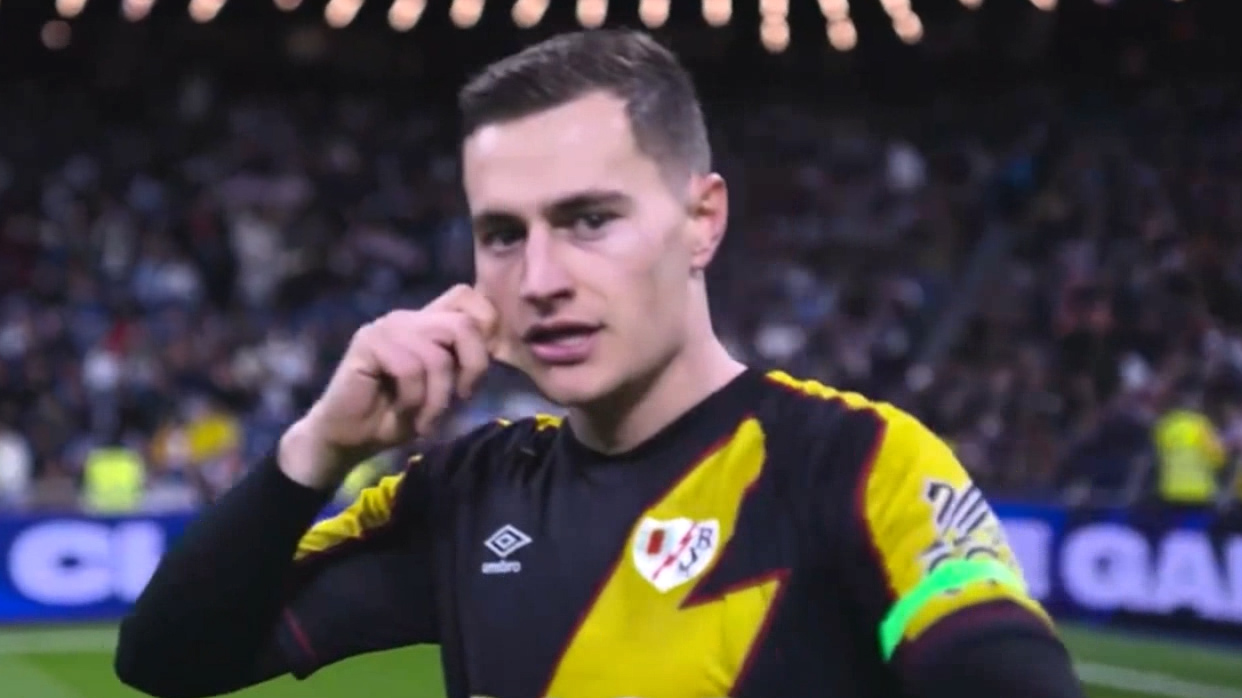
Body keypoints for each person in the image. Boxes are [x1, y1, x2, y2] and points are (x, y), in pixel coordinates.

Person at [114, 29, 1083, 698]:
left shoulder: (860, 465)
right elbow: (168, 659)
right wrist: (317, 447)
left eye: (588, 220)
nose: (540, 279)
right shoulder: (464, 494)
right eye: (502, 234)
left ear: (702, 220)